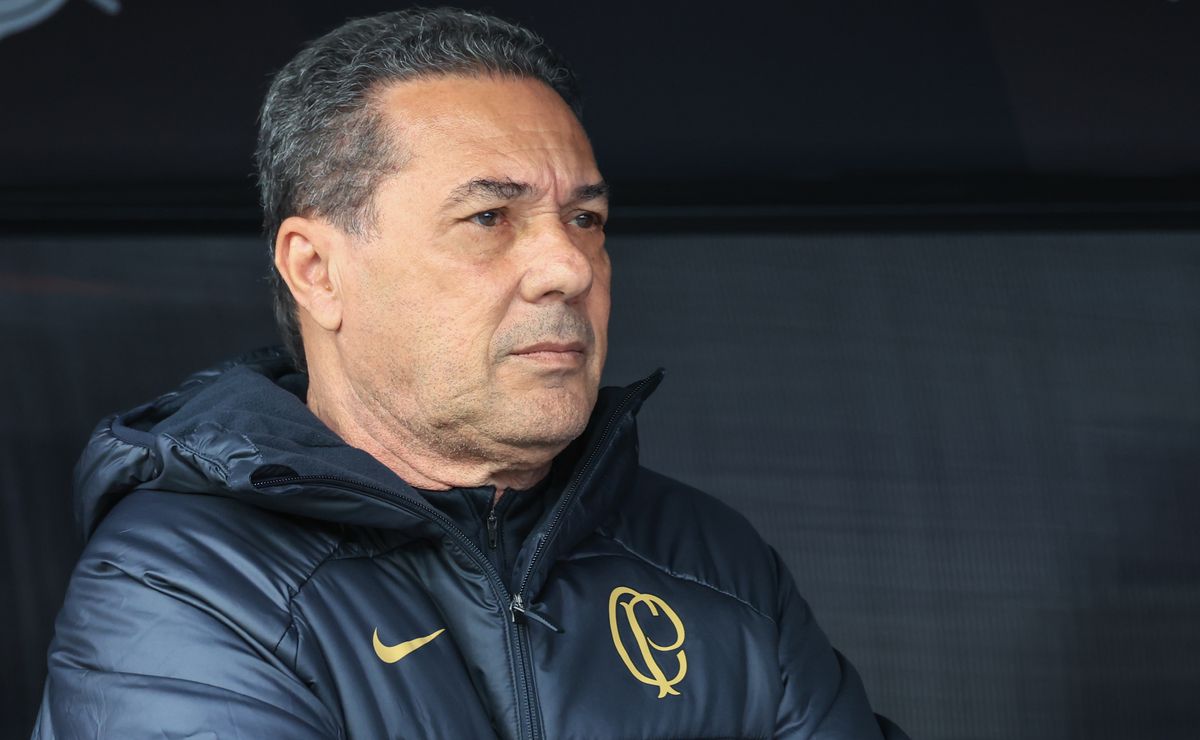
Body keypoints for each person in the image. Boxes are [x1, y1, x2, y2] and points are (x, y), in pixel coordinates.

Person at [34, 8, 907, 739]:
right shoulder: (181, 584)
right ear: (317, 270)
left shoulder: (711, 559)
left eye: (585, 218)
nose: (569, 266)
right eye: (490, 216)